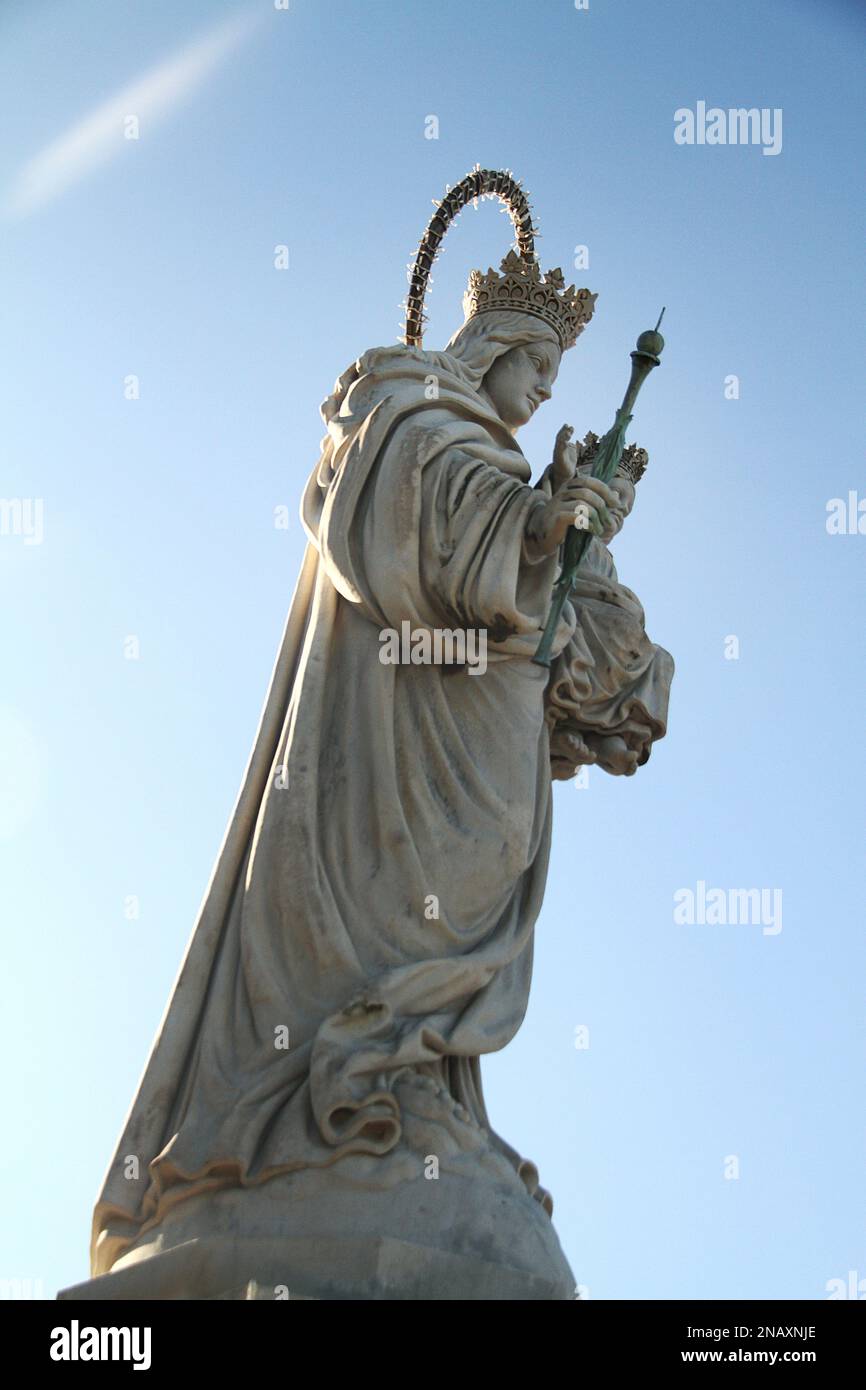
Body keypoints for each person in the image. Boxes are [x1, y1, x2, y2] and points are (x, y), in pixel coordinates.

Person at [85, 274, 672, 1302]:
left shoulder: (482, 449)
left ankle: (415, 1088)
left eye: (551, 378)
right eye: (535, 365)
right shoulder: (403, 403)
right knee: (379, 911)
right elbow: (396, 537)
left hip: (475, 725)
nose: (540, 393)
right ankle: (348, 1103)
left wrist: (580, 532)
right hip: (389, 718)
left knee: (461, 910)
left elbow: (533, 614)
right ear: (491, 340)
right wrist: (533, 525)